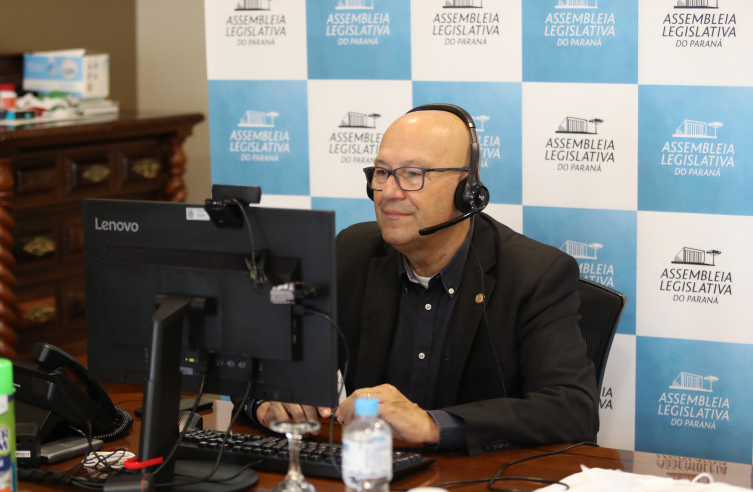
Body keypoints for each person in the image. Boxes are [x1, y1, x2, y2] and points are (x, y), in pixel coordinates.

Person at [253, 103, 599, 454]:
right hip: (370, 475)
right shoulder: (352, 251)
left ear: (467, 190)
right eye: (382, 173)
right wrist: (266, 401)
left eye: (413, 174)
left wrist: (433, 425)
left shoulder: (535, 274)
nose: (389, 192)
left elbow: (572, 410)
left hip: (479, 488)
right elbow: (265, 356)